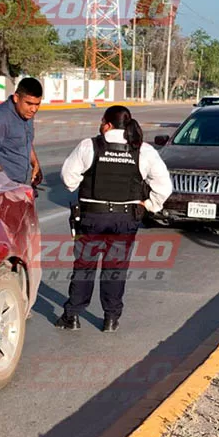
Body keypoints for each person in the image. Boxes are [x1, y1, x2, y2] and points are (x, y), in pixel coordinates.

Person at [57, 106, 173, 332]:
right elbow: (164, 187)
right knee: (115, 268)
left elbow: (68, 179)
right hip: (124, 219)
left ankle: (72, 316)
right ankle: (111, 318)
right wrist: (149, 205)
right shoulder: (143, 150)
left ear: (107, 124)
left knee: (84, 267)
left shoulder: (89, 145)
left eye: (102, 122)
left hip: (92, 216)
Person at [0, 77, 43, 192]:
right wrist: (7, 186)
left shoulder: (26, 114)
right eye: (29, 103)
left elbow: (25, 142)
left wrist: (35, 164)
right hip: (5, 189)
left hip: (23, 185)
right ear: (16, 98)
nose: (33, 109)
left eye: (37, 104)